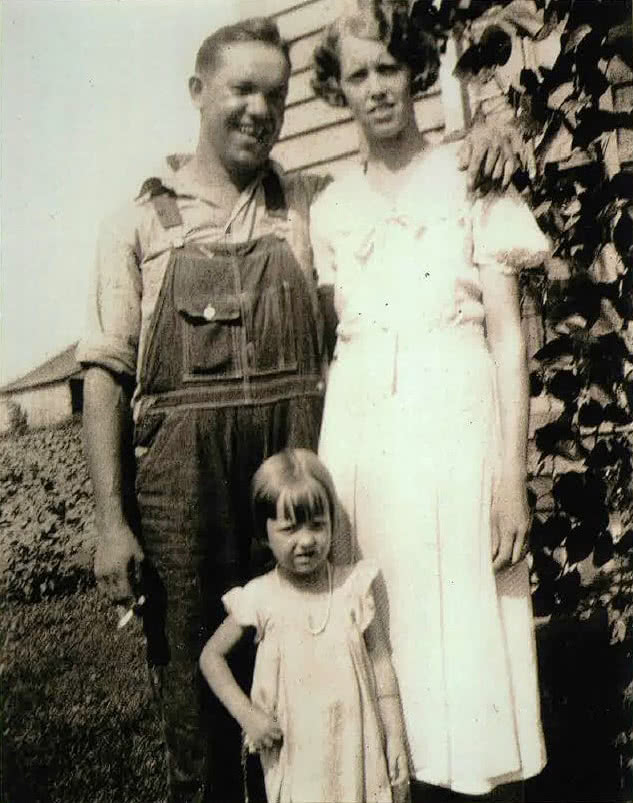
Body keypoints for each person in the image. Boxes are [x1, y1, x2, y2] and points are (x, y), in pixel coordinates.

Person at [77, 13, 520, 803]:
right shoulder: (138, 223)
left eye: (275, 96)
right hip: (186, 493)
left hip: (291, 473)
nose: (259, 110)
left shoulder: (308, 205)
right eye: (241, 90)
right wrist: (110, 521)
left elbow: (398, 172)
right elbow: (105, 375)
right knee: (197, 696)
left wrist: (493, 117)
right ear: (197, 93)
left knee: (314, 682)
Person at [310, 4, 550, 801]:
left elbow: (508, 336)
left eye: (387, 68)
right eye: (356, 75)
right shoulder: (330, 209)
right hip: (363, 437)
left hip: (456, 428)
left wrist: (509, 478)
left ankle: (478, 781)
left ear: (413, 70)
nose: (375, 88)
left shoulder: (469, 174)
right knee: (387, 622)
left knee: (466, 622)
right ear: (336, 91)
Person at [200, 448, 410, 803]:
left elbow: (381, 666)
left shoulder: (353, 587)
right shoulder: (260, 597)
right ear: (264, 534)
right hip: (297, 754)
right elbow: (211, 657)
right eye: (290, 529)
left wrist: (394, 736)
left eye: (317, 524)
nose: (307, 540)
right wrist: (248, 716)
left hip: (357, 748)